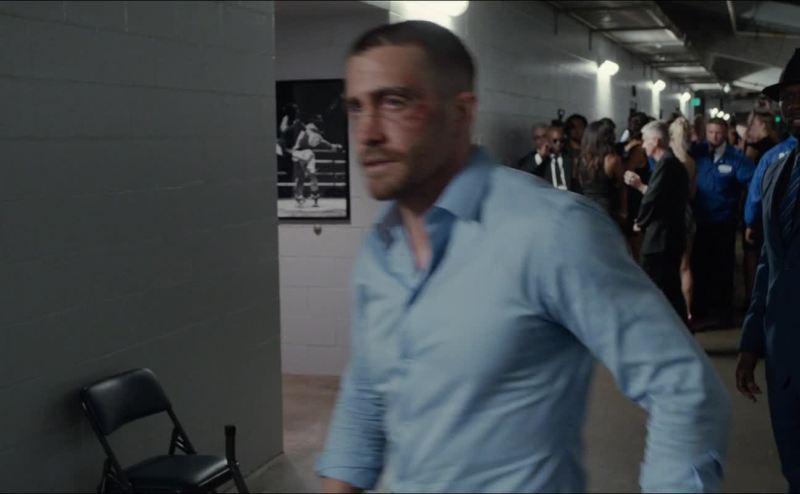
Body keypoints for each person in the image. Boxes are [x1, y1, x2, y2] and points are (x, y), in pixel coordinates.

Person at [317, 20, 731, 494]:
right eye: (355, 107)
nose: (367, 132)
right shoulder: (381, 248)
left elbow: (683, 389)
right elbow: (365, 394)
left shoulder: (549, 230)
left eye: (394, 102)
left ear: (461, 111)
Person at [737, 48, 800, 493]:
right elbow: (768, 265)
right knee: (794, 467)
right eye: (788, 97)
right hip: (785, 354)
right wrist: (751, 342)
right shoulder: (777, 167)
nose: (793, 104)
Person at [690, 117, 755, 328]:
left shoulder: (736, 158)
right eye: (710, 132)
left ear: (725, 133)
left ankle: (723, 313)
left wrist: (748, 215)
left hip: (723, 221)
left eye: (718, 133)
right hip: (699, 220)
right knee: (699, 265)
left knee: (723, 267)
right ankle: (701, 309)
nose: (714, 137)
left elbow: (753, 185)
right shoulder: (697, 153)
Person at [624, 121, 690, 322]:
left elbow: (653, 199)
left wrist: (640, 222)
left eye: (645, 140)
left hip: (661, 238)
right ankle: (679, 328)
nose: (643, 145)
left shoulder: (666, 164)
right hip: (670, 235)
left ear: (656, 141)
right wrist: (640, 186)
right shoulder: (670, 164)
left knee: (653, 285)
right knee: (670, 287)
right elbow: (659, 195)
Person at [742, 111, 780, 306]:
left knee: (752, 255)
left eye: (753, 124)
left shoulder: (758, 150)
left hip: (759, 210)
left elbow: (754, 185)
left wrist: (749, 219)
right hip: (777, 210)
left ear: (761, 124)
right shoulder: (779, 147)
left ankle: (753, 297)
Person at [669, 116, 699, 325]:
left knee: (671, 266)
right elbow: (693, 192)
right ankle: (688, 312)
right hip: (687, 212)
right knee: (686, 266)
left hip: (672, 214)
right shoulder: (691, 161)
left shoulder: (670, 160)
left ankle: (673, 312)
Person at [578, 120, 627, 228]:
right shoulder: (612, 160)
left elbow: (580, 182)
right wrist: (624, 211)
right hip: (606, 207)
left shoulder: (581, 159)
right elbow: (622, 186)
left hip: (585, 205)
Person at [622, 112, 653, 260]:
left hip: (630, 198)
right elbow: (628, 175)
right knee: (637, 246)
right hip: (635, 199)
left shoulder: (625, 146)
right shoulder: (639, 150)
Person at [291, 121, 343, 207]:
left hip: (298, 153)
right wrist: (335, 147)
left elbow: (327, 144)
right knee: (309, 175)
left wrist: (335, 146)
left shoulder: (309, 133)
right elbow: (327, 144)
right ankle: (311, 196)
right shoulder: (312, 133)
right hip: (303, 153)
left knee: (302, 176)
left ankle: (301, 196)